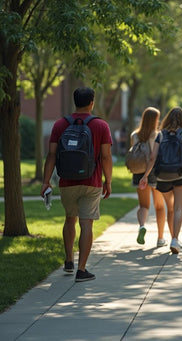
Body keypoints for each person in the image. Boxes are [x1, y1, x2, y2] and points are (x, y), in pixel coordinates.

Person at [41, 87, 113, 282]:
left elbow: (51, 155)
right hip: (92, 182)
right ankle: (82, 270)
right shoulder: (101, 125)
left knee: (69, 219)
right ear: (92, 102)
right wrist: (108, 181)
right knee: (86, 223)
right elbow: (106, 157)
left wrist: (46, 181)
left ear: (75, 102)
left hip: (66, 182)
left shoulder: (60, 124)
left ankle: (68, 260)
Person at [140, 107, 182, 254]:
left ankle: (172, 237)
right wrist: (180, 165)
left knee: (169, 207)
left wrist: (145, 175)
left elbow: (153, 157)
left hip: (162, 177)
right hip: (180, 175)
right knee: (178, 209)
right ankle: (175, 239)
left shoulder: (161, 135)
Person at [130, 107, 167, 247]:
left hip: (138, 171)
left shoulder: (134, 134)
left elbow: (133, 154)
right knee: (159, 206)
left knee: (143, 205)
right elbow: (153, 156)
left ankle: (141, 226)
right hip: (154, 172)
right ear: (155, 120)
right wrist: (147, 175)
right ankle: (160, 238)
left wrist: (142, 175)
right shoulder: (157, 135)